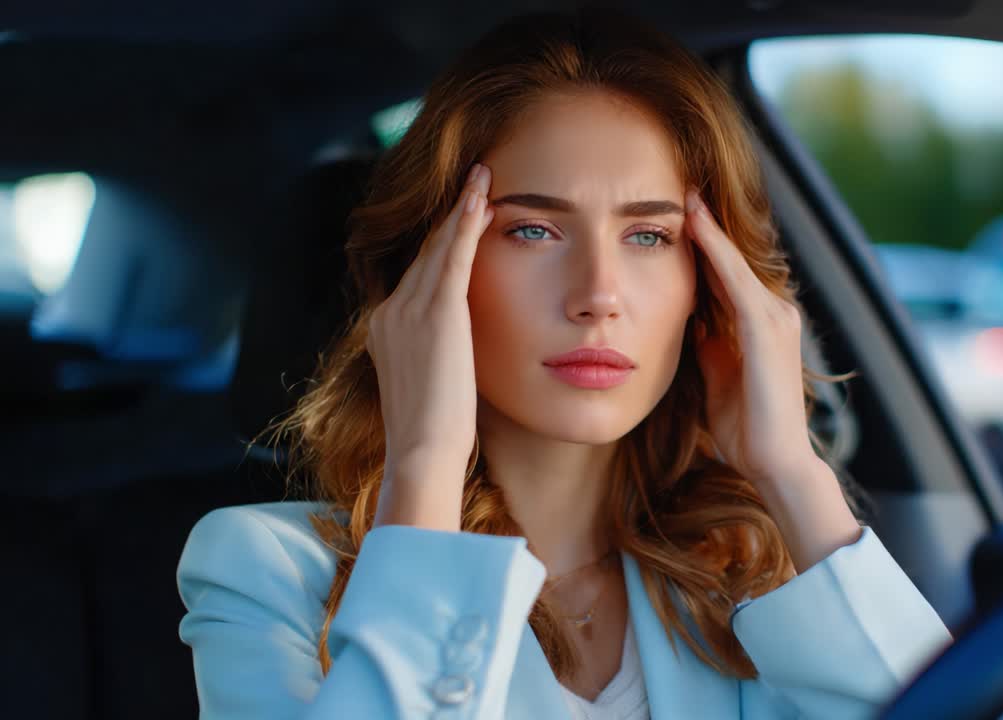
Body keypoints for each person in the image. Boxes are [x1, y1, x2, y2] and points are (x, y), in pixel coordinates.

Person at [176, 8, 953, 719]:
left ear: (709, 289)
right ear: (426, 278)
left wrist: (793, 473)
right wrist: (426, 466)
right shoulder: (267, 572)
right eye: (533, 231)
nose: (598, 296)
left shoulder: (757, 581)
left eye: (648, 236)